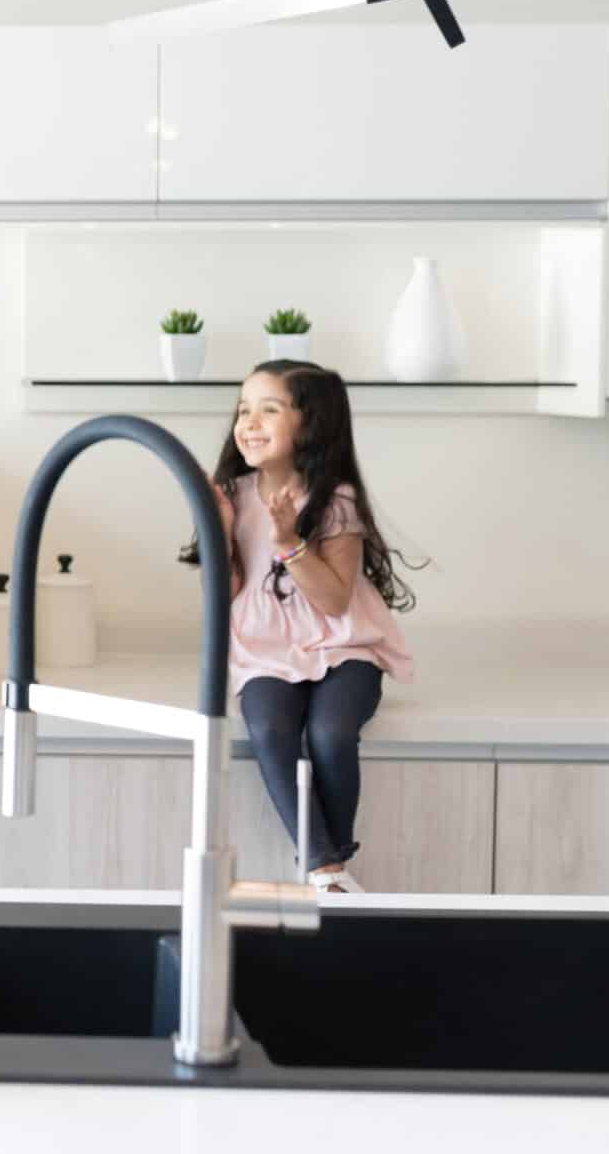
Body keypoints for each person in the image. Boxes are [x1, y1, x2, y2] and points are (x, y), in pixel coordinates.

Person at [181, 360, 419, 893]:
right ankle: (327, 866)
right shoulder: (232, 495)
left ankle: (329, 860)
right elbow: (227, 596)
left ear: (310, 425)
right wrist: (218, 529)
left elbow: (335, 600)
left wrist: (289, 538)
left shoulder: (335, 501)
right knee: (269, 729)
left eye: (270, 408)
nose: (249, 421)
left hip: (344, 647)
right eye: (244, 409)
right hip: (265, 652)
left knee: (331, 733)